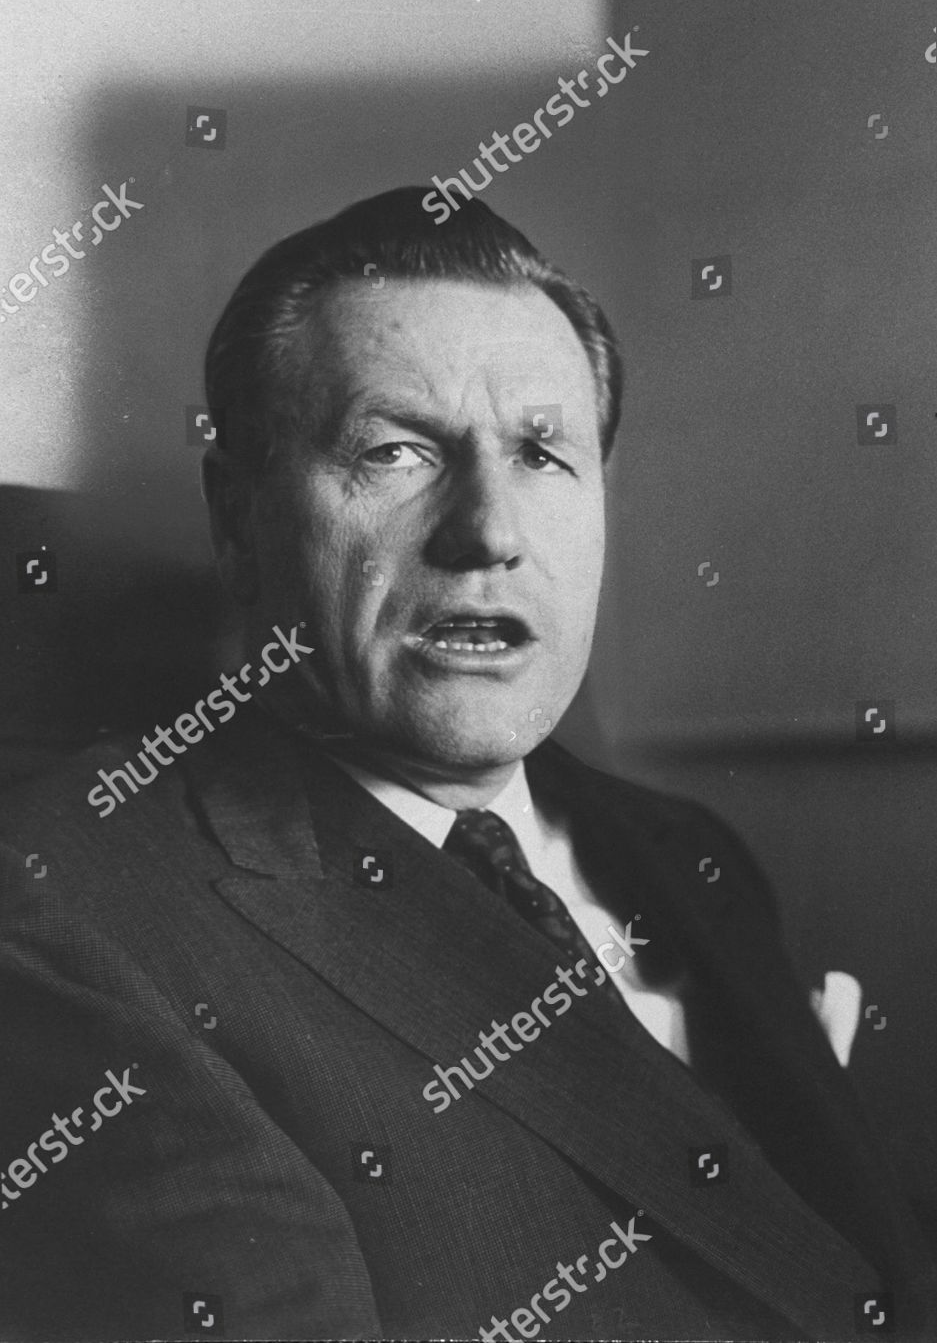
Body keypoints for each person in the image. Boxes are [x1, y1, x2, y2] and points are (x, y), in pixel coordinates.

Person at [1, 187, 933, 1342]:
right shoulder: (68, 909)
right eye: (395, 451)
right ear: (236, 520)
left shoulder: (688, 855)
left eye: (543, 454)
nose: (488, 529)